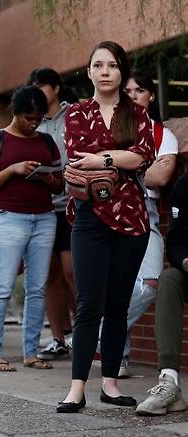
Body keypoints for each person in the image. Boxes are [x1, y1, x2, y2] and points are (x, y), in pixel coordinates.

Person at [57, 41, 154, 413]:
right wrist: (116, 158)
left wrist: (105, 157)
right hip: (89, 217)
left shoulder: (138, 115)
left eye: (112, 65)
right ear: (88, 72)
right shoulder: (77, 113)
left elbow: (142, 156)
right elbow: (81, 157)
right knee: (88, 305)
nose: (105, 71)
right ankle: (76, 388)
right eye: (97, 65)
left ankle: (110, 385)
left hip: (132, 220)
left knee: (117, 305)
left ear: (121, 71)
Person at [0, 86, 64, 371]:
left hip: (43, 217)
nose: (34, 123)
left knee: (37, 287)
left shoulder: (47, 142)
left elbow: (59, 183)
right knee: (2, 285)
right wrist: (13, 170)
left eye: (38, 118)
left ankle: (31, 352)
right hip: (7, 217)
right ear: (15, 113)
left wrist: (45, 178)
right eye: (28, 118)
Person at [116, 70, 178, 377]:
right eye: (127, 91)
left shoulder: (161, 134)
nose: (132, 95)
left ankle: (98, 335)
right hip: (107, 213)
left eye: (138, 90)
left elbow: (160, 177)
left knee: (150, 281)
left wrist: (126, 165)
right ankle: (119, 356)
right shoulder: (108, 128)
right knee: (117, 284)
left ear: (150, 96)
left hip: (145, 212)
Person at [25, 68, 78, 361]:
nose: (37, 90)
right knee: (50, 275)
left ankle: (85, 333)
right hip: (44, 205)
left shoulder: (75, 114)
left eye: (41, 85)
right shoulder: (31, 123)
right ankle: (59, 337)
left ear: (56, 88)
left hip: (73, 203)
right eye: (32, 86)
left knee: (73, 270)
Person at [135, 174, 188, 416]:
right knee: (169, 279)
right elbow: (177, 238)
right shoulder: (185, 185)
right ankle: (169, 381)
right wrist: (186, 261)